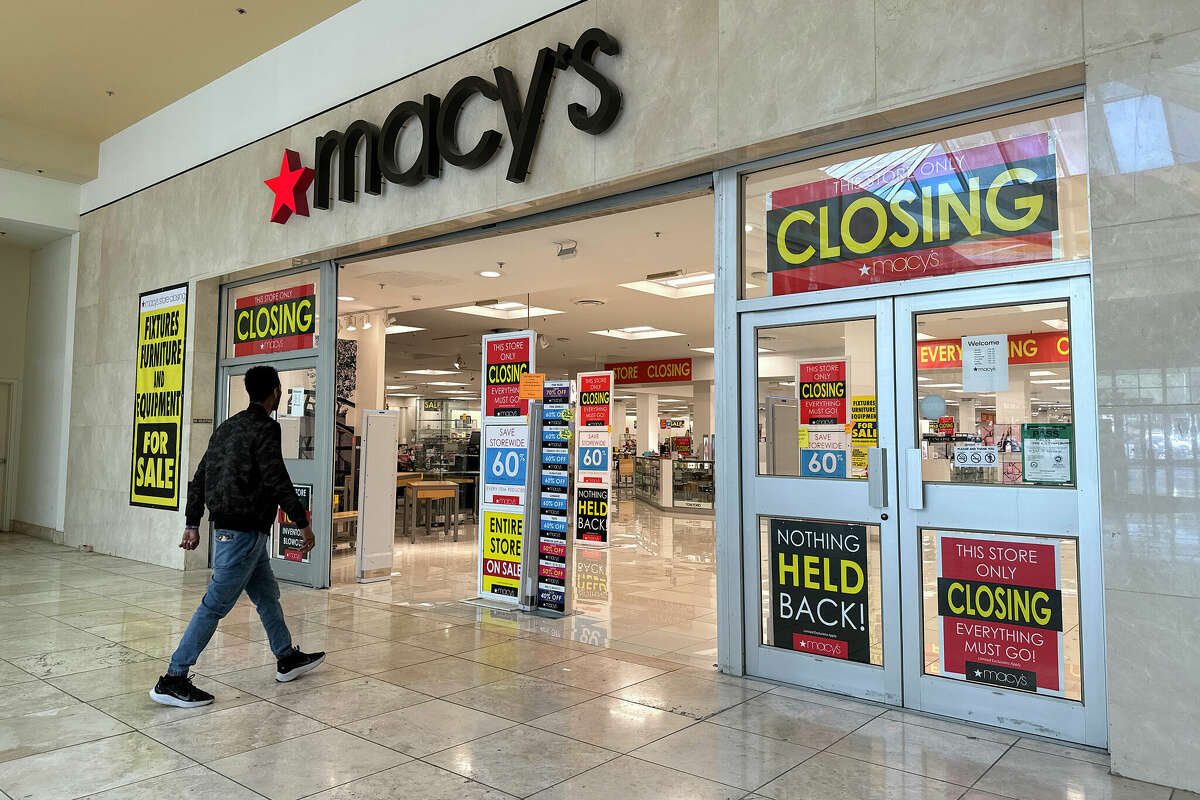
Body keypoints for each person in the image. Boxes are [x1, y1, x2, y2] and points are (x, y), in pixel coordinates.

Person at [150, 365, 324, 707]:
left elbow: (201, 475)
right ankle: (173, 677)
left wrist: (192, 522)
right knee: (215, 604)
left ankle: (286, 656)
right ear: (275, 392)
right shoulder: (266, 428)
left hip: (242, 532)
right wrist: (302, 521)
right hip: (243, 533)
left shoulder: (227, 428)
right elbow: (277, 478)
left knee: (266, 595)